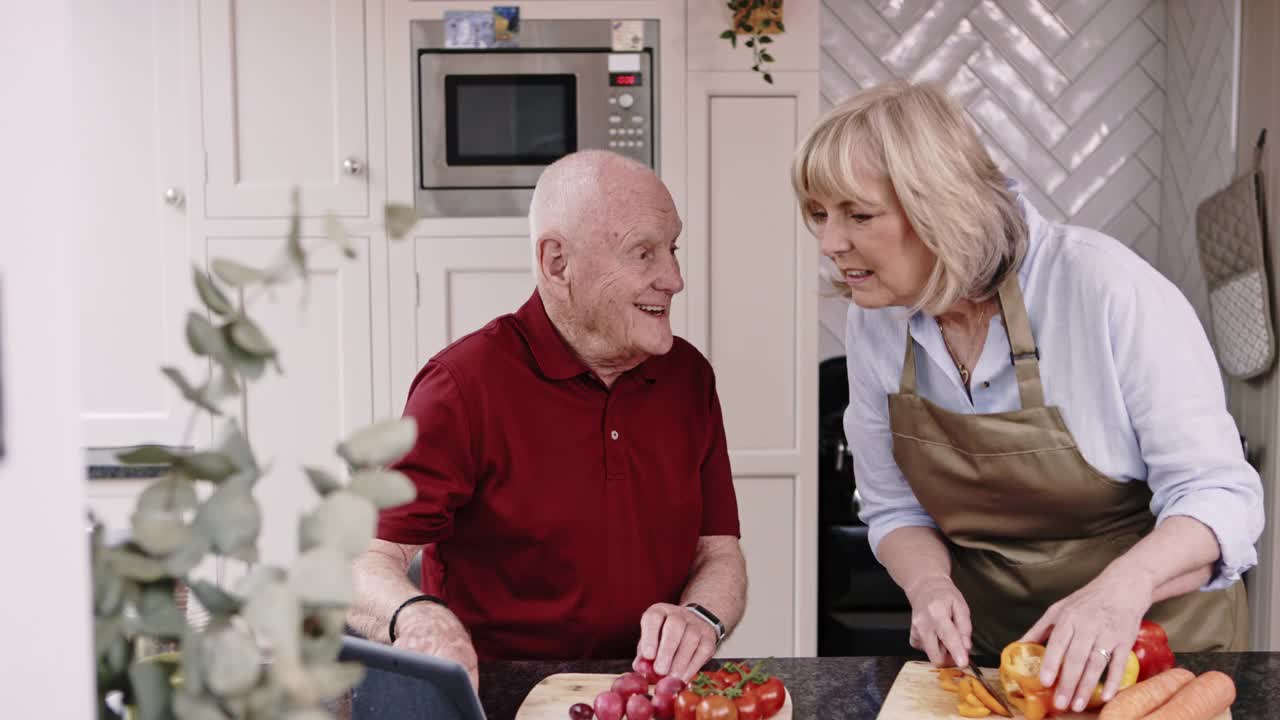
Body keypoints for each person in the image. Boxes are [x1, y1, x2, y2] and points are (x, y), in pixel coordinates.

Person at [791, 81, 1261, 713]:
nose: (829, 243)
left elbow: (1220, 495)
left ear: (940, 205)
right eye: (819, 214)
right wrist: (929, 584)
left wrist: (1118, 590)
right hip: (1000, 662)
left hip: (1159, 656)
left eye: (858, 214)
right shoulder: (877, 320)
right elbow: (893, 506)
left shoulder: (1102, 287)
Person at [347, 150, 747, 691]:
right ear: (557, 263)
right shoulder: (464, 385)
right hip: (498, 693)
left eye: (672, 249)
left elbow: (719, 553)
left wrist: (700, 616)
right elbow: (364, 561)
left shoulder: (689, 377)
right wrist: (417, 616)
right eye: (644, 253)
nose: (673, 278)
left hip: (646, 693)